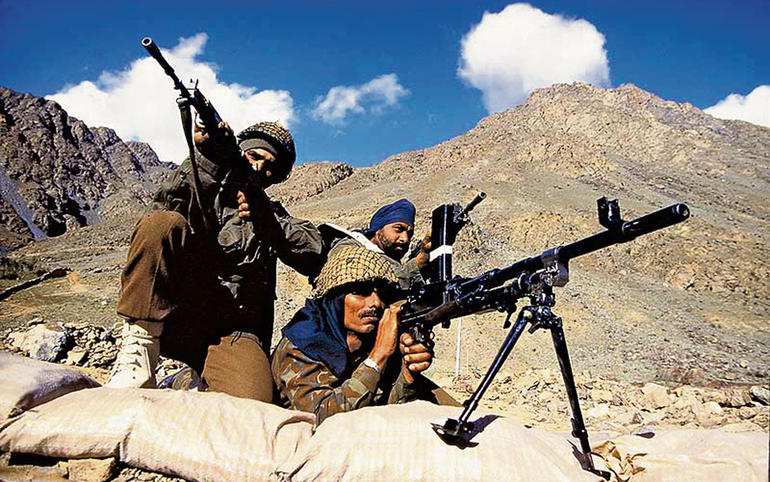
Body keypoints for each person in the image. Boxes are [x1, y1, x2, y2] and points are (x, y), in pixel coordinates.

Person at [107, 119, 323, 402]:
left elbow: (313, 252)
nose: (260, 168)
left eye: (271, 166)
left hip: (233, 331)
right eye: (253, 156)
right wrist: (206, 160)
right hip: (174, 315)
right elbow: (160, 217)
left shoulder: (273, 216)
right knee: (162, 223)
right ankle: (140, 351)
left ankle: (185, 381)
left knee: (251, 405)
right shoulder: (202, 186)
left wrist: (267, 221)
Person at [271, 245, 456, 423]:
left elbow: (387, 407)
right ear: (335, 298)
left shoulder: (370, 338)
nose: (376, 303)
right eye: (361, 292)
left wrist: (408, 373)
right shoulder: (303, 343)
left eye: (382, 294)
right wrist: (377, 357)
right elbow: (320, 419)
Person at [318, 198, 431, 289]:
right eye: (398, 229)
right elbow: (370, 288)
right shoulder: (349, 249)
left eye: (409, 233)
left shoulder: (388, 258)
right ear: (378, 229)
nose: (405, 239)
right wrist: (417, 264)